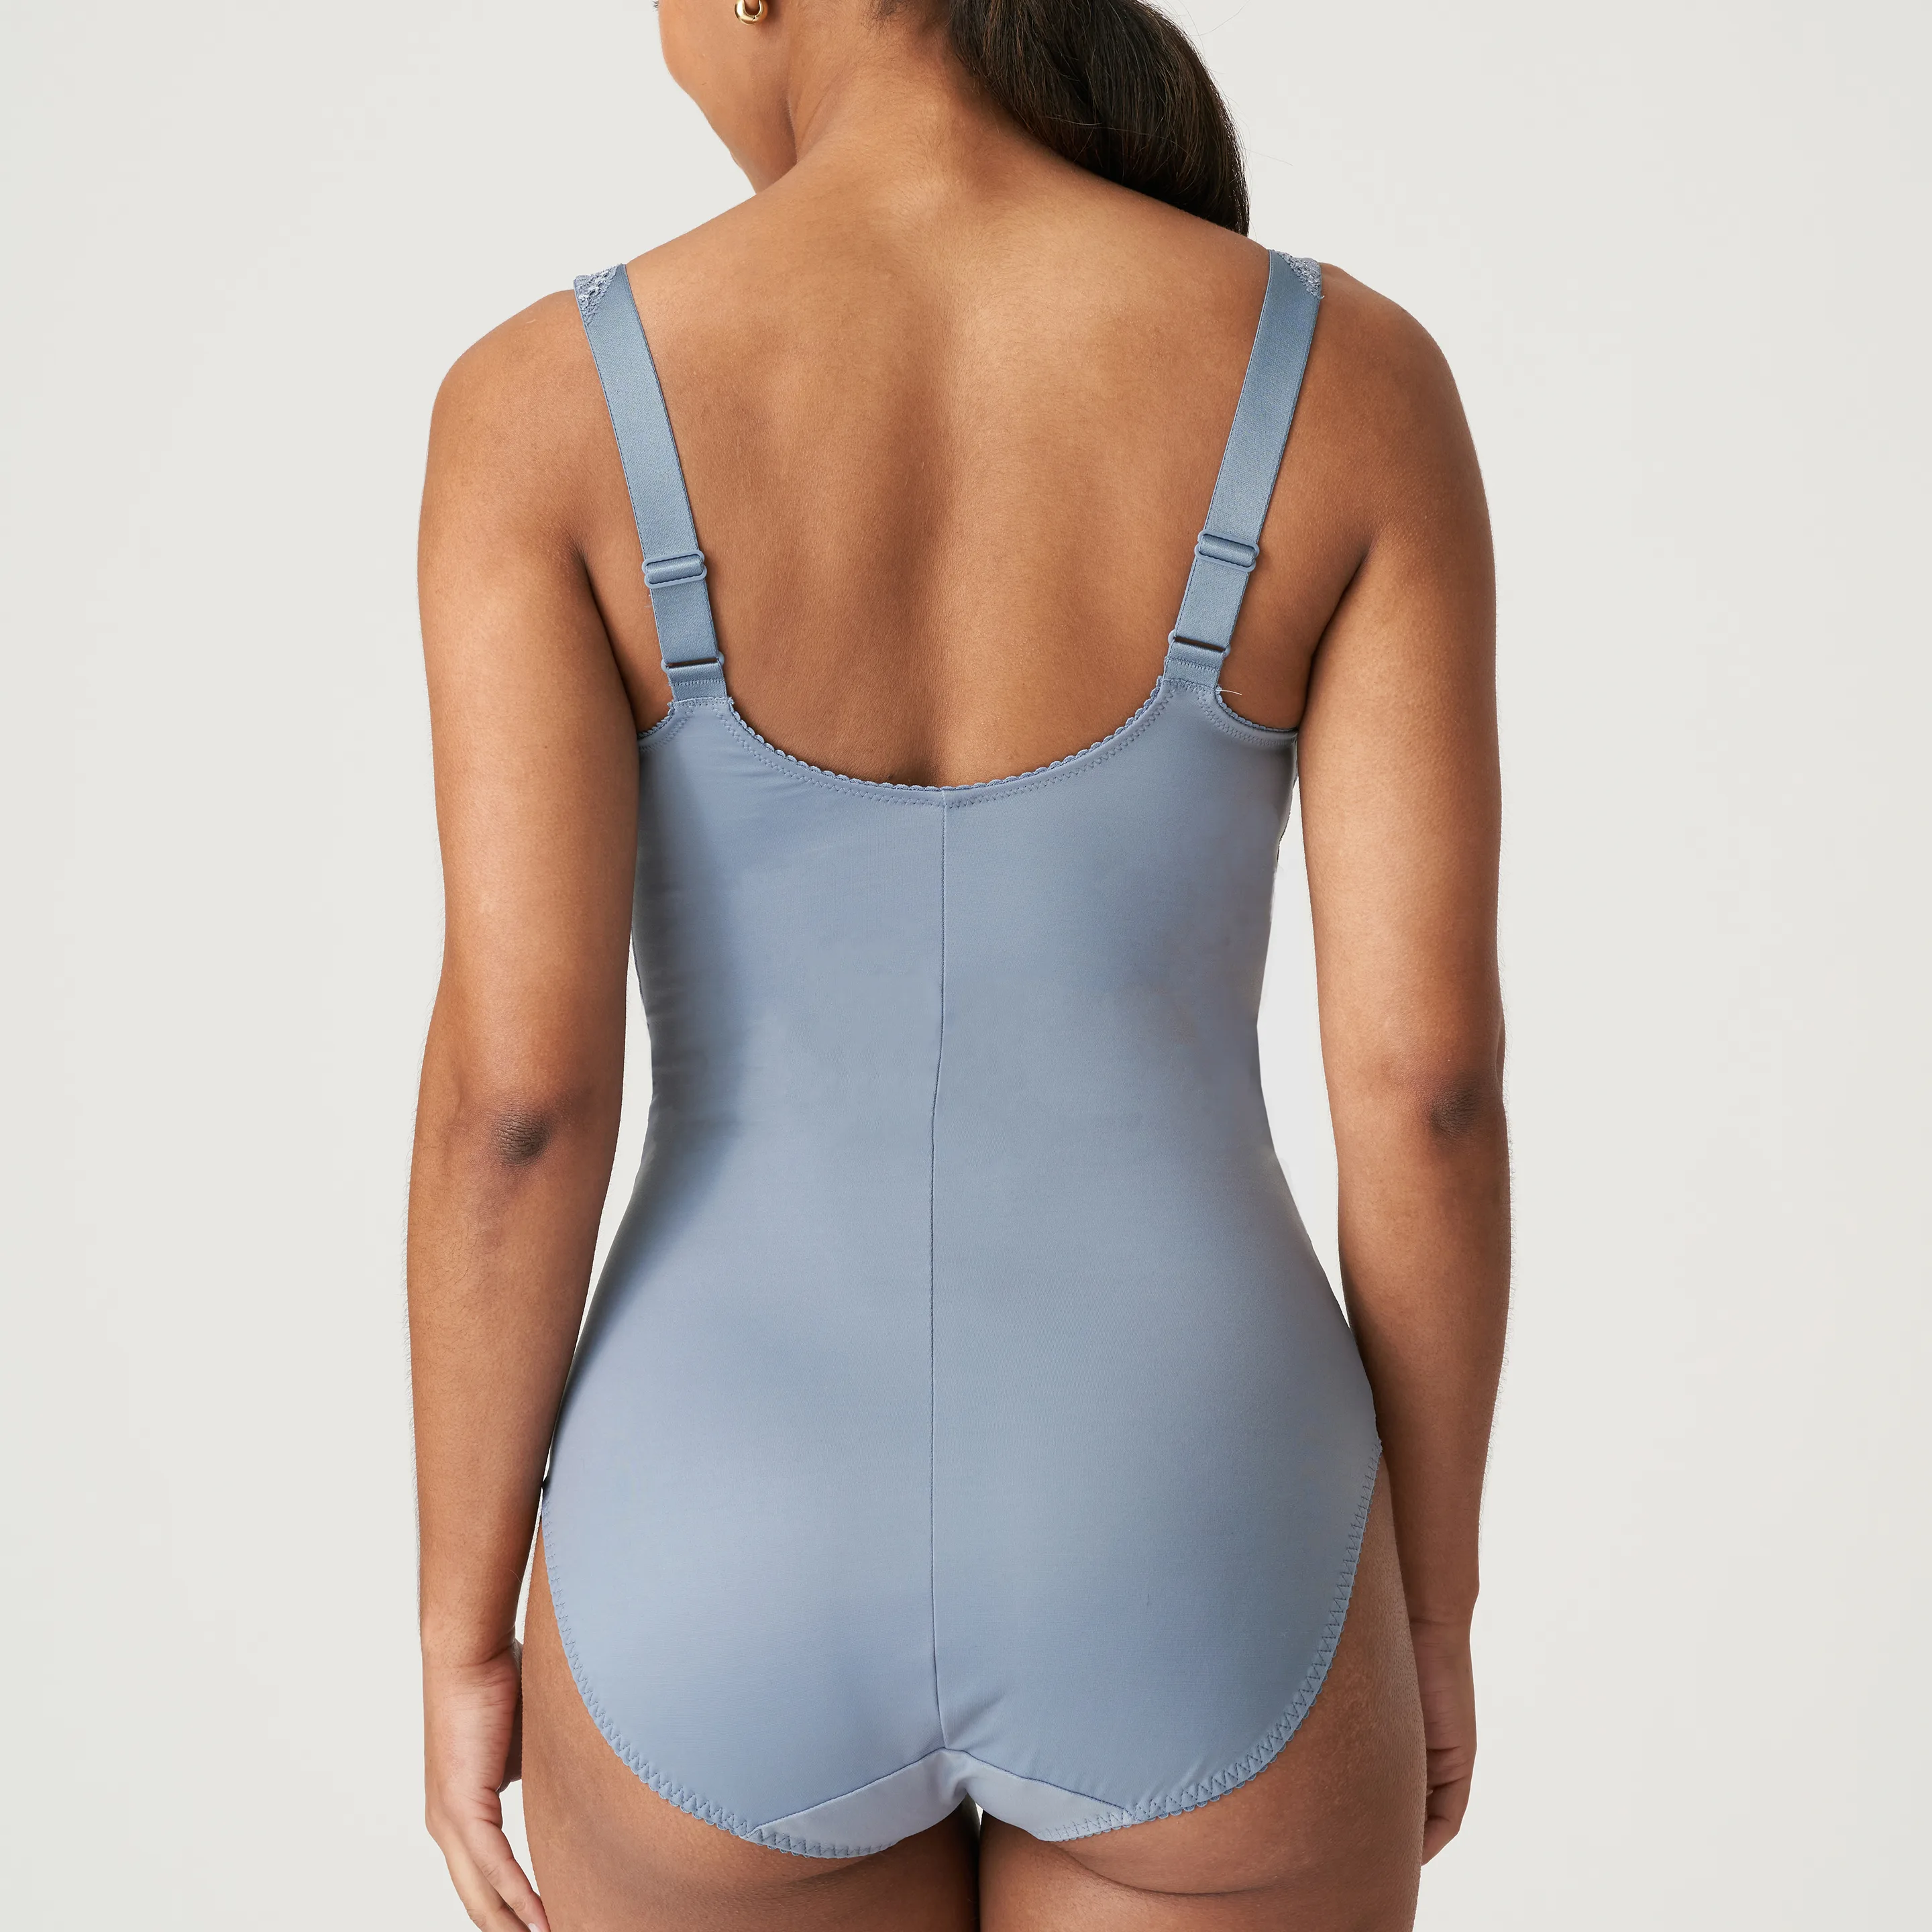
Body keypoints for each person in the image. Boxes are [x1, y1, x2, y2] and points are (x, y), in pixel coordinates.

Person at [407, 2, 1508, 1927]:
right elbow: (1429, 1093)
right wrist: (1428, 1604)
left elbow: (518, 1109)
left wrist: (459, 1624)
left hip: (708, 1527)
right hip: (1201, 1505)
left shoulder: (540, 406)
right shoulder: (1346, 378)